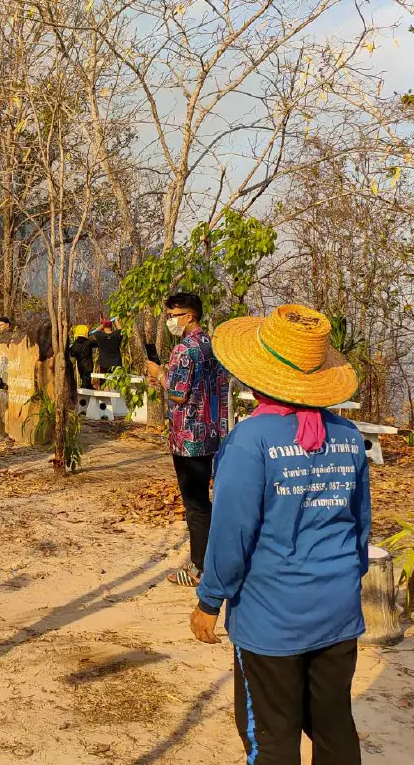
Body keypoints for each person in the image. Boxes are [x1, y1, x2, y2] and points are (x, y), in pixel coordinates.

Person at [192, 304, 368, 764]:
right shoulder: (349, 437)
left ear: (255, 376)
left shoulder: (250, 440)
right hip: (337, 612)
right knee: (334, 730)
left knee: (271, 737)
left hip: (270, 619)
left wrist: (210, 600)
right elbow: (359, 526)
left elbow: (232, 535)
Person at [145, 292, 229, 587]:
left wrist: (159, 374)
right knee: (208, 501)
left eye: (172, 315)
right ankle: (209, 559)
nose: (169, 321)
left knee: (195, 504)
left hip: (188, 435)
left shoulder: (184, 349)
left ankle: (199, 568)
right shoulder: (212, 344)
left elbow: (178, 393)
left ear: (189, 316)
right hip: (212, 431)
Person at [90, 318, 124, 386]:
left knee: (104, 383)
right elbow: (121, 330)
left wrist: (102, 324)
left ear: (104, 327)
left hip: (103, 363)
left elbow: (96, 331)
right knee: (116, 383)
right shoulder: (116, 335)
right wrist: (116, 320)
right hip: (116, 363)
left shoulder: (100, 336)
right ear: (111, 326)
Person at [67, 324, 96, 391]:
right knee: (86, 382)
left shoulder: (75, 343)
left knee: (83, 380)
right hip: (88, 365)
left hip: (80, 365)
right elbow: (98, 344)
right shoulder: (89, 342)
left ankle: (86, 391)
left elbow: (72, 353)